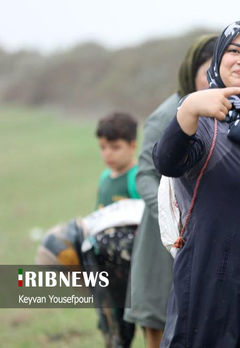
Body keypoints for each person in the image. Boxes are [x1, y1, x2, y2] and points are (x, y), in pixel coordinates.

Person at [153, 20, 240, 347]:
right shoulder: (202, 121)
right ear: (219, 59)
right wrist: (189, 108)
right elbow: (167, 162)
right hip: (210, 290)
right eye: (234, 50)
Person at [123, 34, 217, 348]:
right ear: (191, 71)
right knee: (162, 329)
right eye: (209, 68)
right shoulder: (167, 115)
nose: (215, 75)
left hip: (206, 241)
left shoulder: (227, 113)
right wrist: (173, 216)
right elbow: (145, 176)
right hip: (164, 245)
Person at [84, 111, 141, 348]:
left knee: (126, 322)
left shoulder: (136, 178)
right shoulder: (104, 178)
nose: (107, 153)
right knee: (108, 322)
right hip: (102, 264)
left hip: (129, 269)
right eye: (103, 147)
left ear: (132, 145)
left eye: (115, 147)